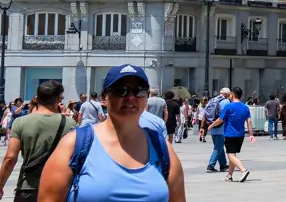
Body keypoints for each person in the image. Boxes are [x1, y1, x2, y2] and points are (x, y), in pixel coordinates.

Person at [35, 67, 183, 202]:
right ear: (104, 98)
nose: (131, 97)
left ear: (146, 98)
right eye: (121, 90)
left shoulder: (162, 148)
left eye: (139, 91)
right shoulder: (74, 144)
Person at [0, 81, 73, 202]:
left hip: (28, 187)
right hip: (59, 188)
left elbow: (10, 158)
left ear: (37, 98)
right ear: (58, 99)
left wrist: (1, 185)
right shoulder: (70, 124)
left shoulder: (20, 122)